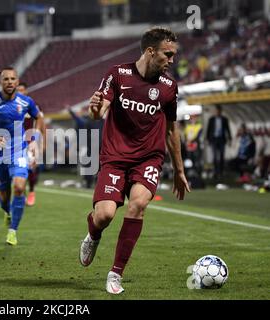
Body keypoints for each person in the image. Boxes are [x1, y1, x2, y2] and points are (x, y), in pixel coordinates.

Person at [79, 27, 190, 294]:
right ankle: (93, 232)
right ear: (151, 52)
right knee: (104, 215)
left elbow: (171, 129)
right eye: (168, 54)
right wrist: (94, 109)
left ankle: (115, 273)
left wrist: (179, 169)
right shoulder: (117, 74)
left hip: (149, 159)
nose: (172, 60)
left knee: (138, 204)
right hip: (115, 157)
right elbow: (98, 112)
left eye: (173, 55)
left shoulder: (168, 87)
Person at [0, 67, 45, 246]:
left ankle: (13, 230)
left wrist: (34, 139)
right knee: (4, 195)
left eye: (13, 79)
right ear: (0, 82)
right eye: (6, 79)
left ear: (17, 81)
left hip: (19, 150)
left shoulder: (26, 101)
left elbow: (40, 117)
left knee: (19, 187)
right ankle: (7, 210)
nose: (10, 82)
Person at [16, 82, 44, 206]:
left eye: (22, 90)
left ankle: (31, 191)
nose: (20, 92)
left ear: (26, 91)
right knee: (19, 170)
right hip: (16, 143)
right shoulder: (12, 105)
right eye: (18, 90)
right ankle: (22, 194)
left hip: (30, 142)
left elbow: (41, 123)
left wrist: (42, 143)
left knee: (31, 168)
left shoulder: (33, 105)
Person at [206, 105, 231, 182]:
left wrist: (230, 138)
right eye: (216, 111)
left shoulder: (224, 119)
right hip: (214, 140)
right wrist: (208, 139)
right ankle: (216, 172)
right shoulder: (211, 119)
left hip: (221, 140)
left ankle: (221, 172)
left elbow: (227, 129)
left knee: (221, 156)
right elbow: (208, 130)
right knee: (214, 157)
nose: (217, 112)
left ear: (220, 111)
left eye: (218, 111)